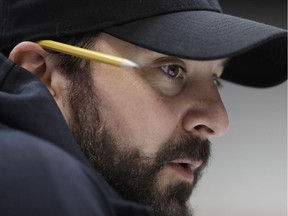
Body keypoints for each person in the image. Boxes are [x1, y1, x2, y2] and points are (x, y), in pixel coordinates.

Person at [0, 0, 286, 216]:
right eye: (172, 70)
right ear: (39, 72)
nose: (218, 120)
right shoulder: (33, 180)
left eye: (215, 79)